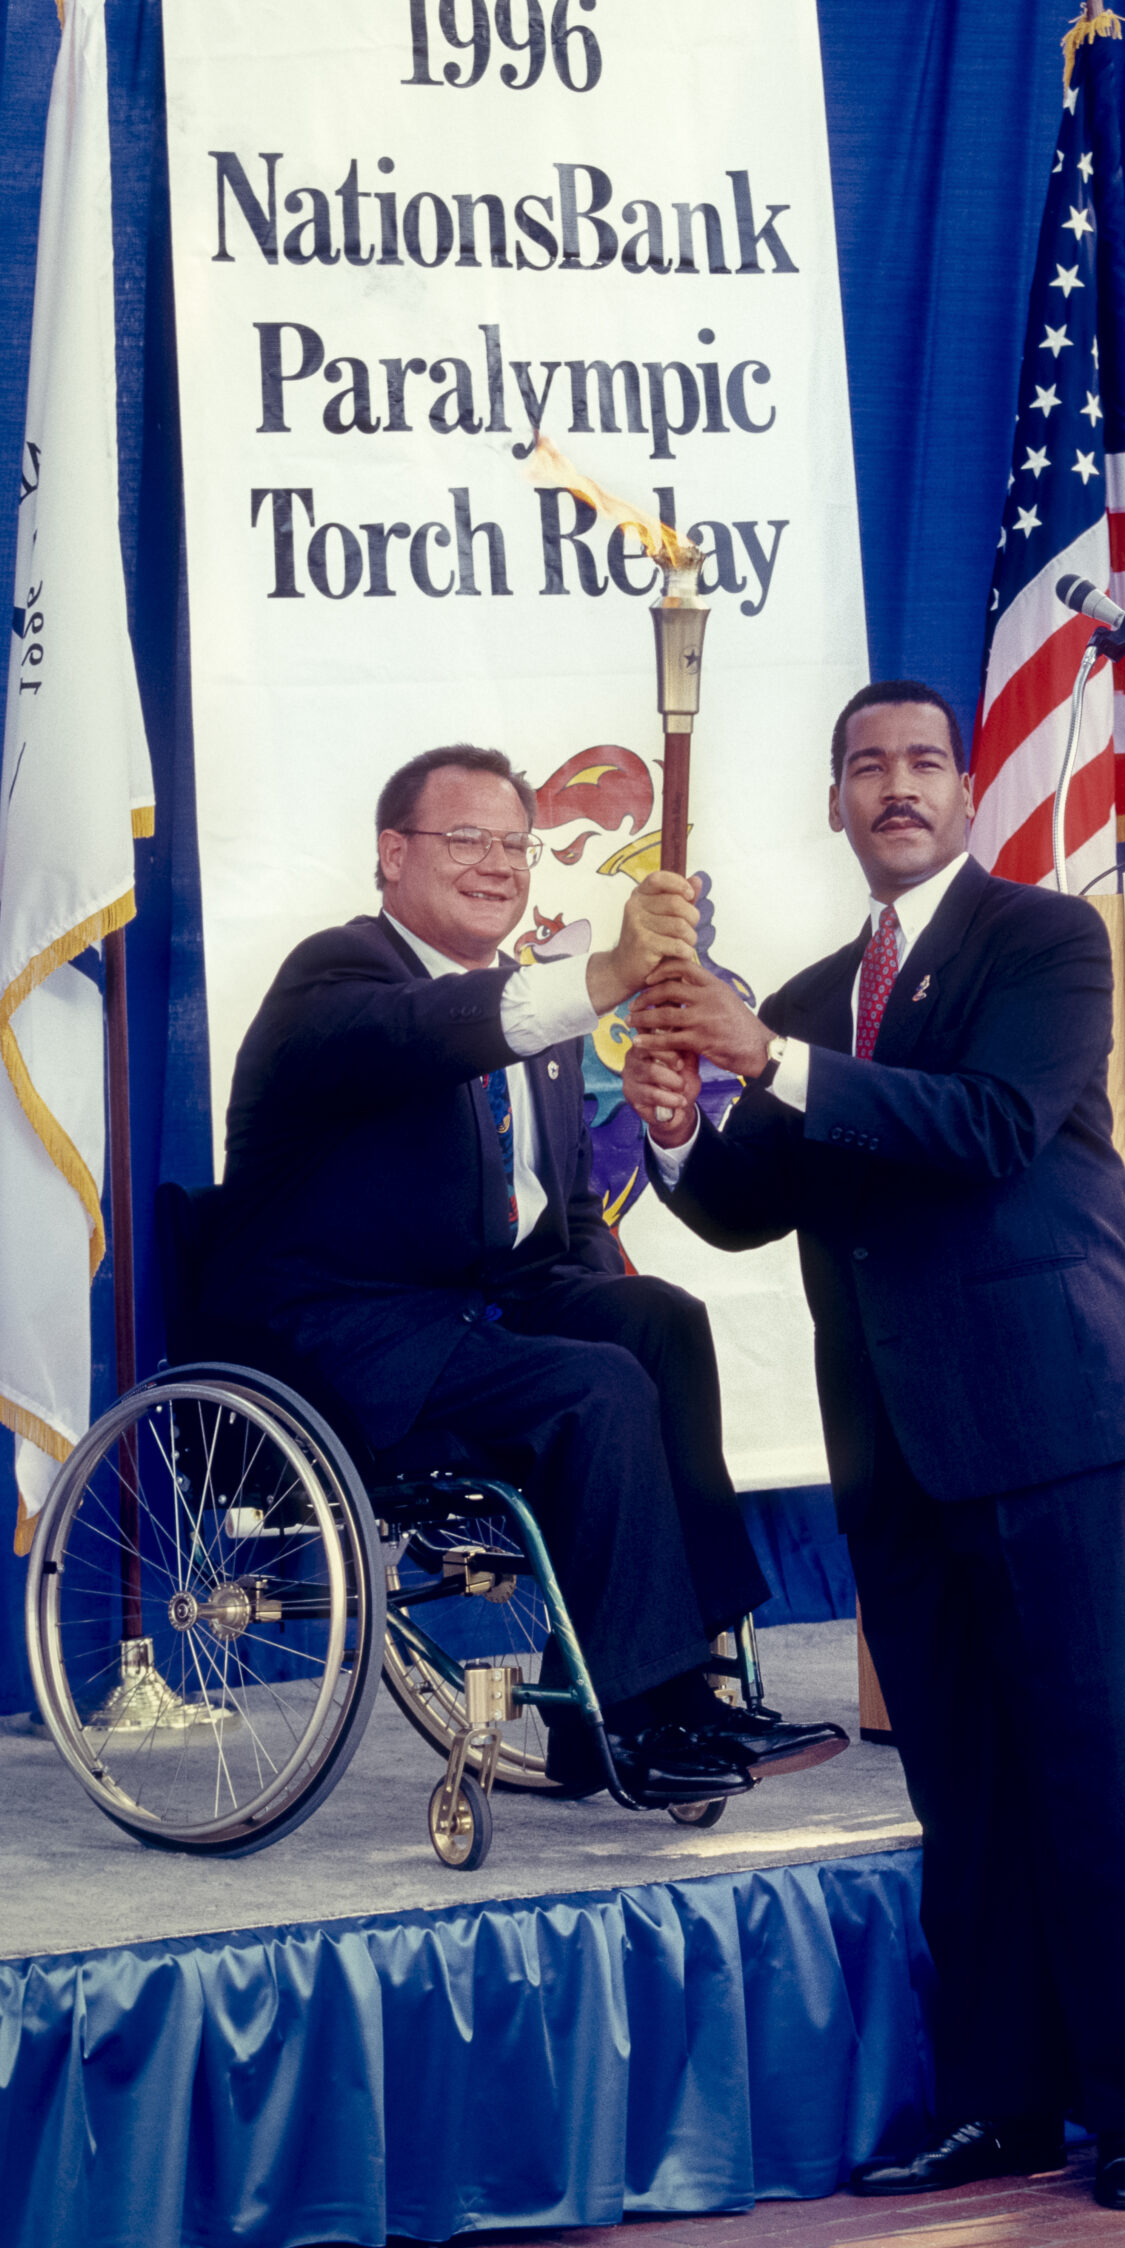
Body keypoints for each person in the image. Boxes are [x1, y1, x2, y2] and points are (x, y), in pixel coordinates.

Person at [621, 680, 1125, 2211]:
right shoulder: (811, 995)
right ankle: (1003, 2111)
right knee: (964, 1789)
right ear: (833, 804)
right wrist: (677, 1126)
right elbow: (751, 1201)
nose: (894, 785)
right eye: (863, 763)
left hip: (1061, 1420)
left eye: (922, 762)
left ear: (964, 790)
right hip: (896, 1447)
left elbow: (989, 1126)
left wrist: (768, 1058)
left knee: (1096, 1777)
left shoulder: (1046, 942)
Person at [205, 741, 846, 1807]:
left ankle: (680, 1676)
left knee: (658, 1322)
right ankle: (646, 1717)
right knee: (593, 1389)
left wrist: (614, 1295)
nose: (498, 863)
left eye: (514, 843)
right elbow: (428, 1036)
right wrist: (606, 975)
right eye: (466, 839)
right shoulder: (338, 974)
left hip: (471, 1313)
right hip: (344, 1338)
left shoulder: (534, 1017)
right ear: (390, 853)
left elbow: (569, 1224)